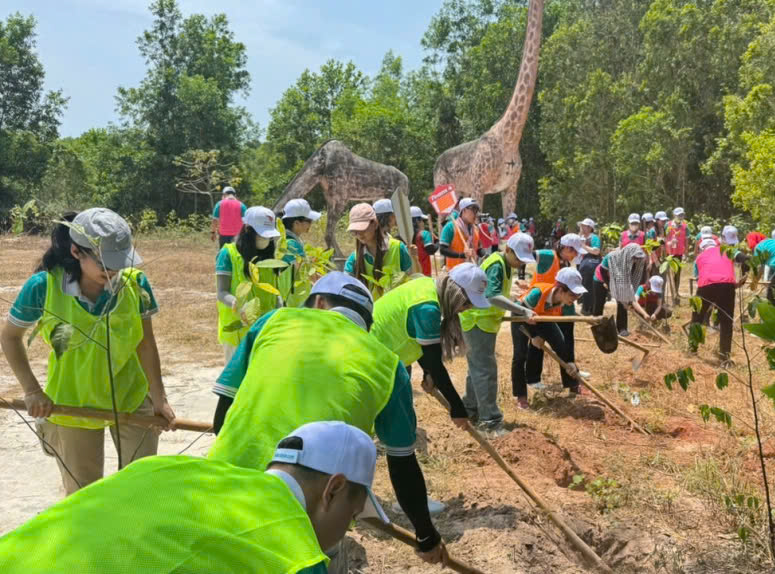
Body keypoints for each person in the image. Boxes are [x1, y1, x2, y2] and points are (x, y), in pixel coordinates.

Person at [209, 272, 451, 565]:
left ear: (319, 302)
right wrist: (426, 534)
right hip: (309, 518)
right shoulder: (389, 365)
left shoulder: (273, 321)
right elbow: (402, 464)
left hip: (221, 487)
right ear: (366, 325)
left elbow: (221, 418)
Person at [0, 420, 390, 574]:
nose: (345, 532)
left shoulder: (166, 467)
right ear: (333, 489)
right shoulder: (296, 558)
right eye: (352, 516)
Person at [1, 209, 174, 496]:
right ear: (76, 252)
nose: (113, 272)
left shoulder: (135, 285)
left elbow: (145, 343)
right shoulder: (44, 287)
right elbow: (9, 338)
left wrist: (159, 397)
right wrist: (32, 390)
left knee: (142, 489)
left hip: (131, 397)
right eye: (105, 264)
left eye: (119, 263)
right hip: (73, 400)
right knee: (84, 495)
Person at [370, 263, 492, 428]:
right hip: (372, 360)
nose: (467, 308)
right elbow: (434, 362)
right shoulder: (427, 308)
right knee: (398, 425)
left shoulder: (428, 287)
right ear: (456, 292)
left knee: (403, 421)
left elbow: (424, 349)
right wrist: (457, 407)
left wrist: (428, 374)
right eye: (467, 303)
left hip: (385, 359)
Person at [458, 232, 538, 436]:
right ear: (508, 250)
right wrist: (522, 310)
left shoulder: (504, 264)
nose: (520, 263)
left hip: (481, 321)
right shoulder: (497, 264)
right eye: (518, 258)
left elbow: (496, 292)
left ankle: (471, 408)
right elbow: (492, 296)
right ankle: (490, 422)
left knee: (476, 368)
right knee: (485, 370)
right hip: (478, 321)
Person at [216, 206, 284, 363]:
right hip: (238, 333)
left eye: (268, 236)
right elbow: (221, 292)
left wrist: (279, 303)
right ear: (247, 229)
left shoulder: (269, 257)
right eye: (260, 234)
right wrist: (236, 303)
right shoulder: (228, 254)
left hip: (265, 328)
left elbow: (272, 288)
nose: (265, 239)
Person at [511, 267, 585, 409]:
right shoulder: (538, 294)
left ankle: (573, 385)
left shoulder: (567, 305)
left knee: (561, 346)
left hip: (542, 318)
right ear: (560, 290)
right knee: (520, 355)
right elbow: (520, 314)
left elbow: (568, 335)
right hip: (519, 317)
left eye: (578, 296)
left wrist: (569, 361)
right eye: (573, 295)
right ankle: (521, 397)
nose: (575, 299)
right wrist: (533, 336)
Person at [344, 203, 413, 300]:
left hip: (398, 311)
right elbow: (347, 290)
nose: (359, 234)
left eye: (362, 229)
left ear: (375, 224)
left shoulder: (398, 248)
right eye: (355, 231)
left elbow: (412, 280)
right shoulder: (354, 259)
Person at [692, 238, 742, 363]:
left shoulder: (699, 257)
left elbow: (700, 276)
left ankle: (692, 349)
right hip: (727, 285)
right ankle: (724, 356)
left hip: (706, 285)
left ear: (702, 248)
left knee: (697, 317)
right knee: (726, 322)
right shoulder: (727, 251)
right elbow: (743, 258)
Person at [593, 243, 653, 337]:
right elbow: (603, 270)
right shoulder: (612, 257)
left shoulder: (634, 263)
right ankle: (597, 326)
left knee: (622, 303)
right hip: (601, 278)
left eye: (637, 258)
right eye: (635, 257)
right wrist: (609, 286)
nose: (636, 260)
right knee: (599, 304)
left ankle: (622, 328)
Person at [440, 198, 483, 270]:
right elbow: (442, 249)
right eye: (473, 210)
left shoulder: (475, 229)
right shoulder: (450, 227)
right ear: (464, 210)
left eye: (477, 210)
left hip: (472, 271)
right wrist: (462, 255)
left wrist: (485, 255)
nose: (475, 213)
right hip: (455, 273)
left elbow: (478, 249)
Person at [282, 198, 322, 266]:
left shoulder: (287, 240)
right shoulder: (292, 245)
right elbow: (302, 272)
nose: (311, 224)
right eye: (309, 221)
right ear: (296, 223)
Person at [577, 218, 603, 315]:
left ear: (589, 228)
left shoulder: (594, 238)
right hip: (584, 264)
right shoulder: (582, 237)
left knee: (589, 287)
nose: (582, 228)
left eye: (584, 226)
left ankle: (589, 309)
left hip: (591, 265)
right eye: (582, 226)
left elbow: (596, 251)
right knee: (584, 285)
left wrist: (584, 246)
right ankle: (586, 307)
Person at [410, 206, 438, 276]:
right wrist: (438, 241)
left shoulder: (405, 236)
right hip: (424, 274)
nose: (423, 223)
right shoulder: (424, 234)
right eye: (422, 220)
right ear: (417, 221)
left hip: (411, 274)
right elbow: (431, 250)